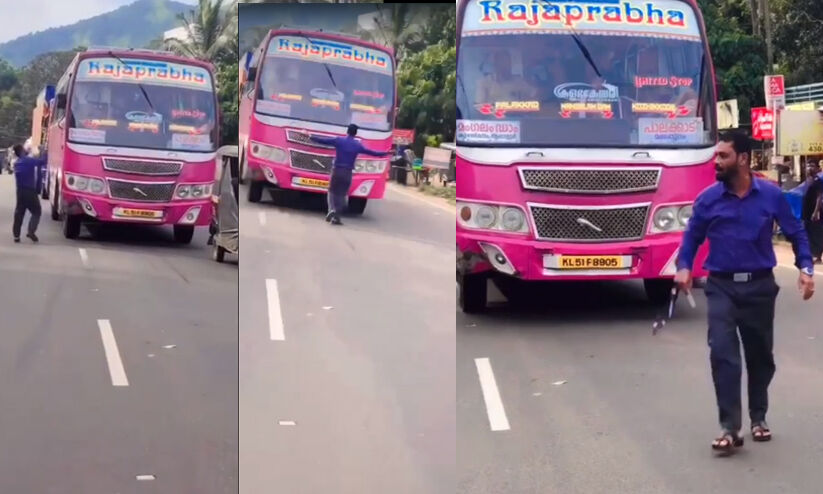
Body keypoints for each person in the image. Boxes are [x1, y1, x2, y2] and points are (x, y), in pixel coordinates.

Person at [675, 131, 815, 456]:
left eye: (723, 156)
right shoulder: (708, 199)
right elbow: (691, 238)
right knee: (723, 355)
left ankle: (759, 417)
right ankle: (729, 428)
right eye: (716, 156)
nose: (717, 162)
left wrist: (806, 269)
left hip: (759, 287)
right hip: (721, 286)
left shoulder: (770, 195)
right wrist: (684, 266)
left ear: (742, 158)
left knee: (760, 357)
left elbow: (796, 232)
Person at [309, 124, 390, 225]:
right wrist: (385, 153)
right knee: (342, 195)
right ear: (355, 133)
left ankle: (332, 210)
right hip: (347, 173)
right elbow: (372, 152)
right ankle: (336, 217)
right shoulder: (357, 145)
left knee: (332, 191)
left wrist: (311, 137)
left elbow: (324, 141)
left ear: (347, 131)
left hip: (337, 171)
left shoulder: (339, 140)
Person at [12, 143, 46, 243]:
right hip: (30, 191)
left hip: (20, 191)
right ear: (22, 151)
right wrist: (44, 151)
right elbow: (42, 162)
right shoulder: (28, 160)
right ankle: (31, 230)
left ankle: (16, 236)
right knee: (37, 211)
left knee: (19, 213)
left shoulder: (17, 163)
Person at [802, 160, 823, 263]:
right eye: (808, 166)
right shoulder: (808, 180)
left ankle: (817, 256)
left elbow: (819, 197)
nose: (810, 168)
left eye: (812, 166)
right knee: (807, 233)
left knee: (816, 234)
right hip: (806, 211)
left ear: (817, 168)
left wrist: (815, 212)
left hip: (814, 212)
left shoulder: (817, 180)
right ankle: (811, 254)